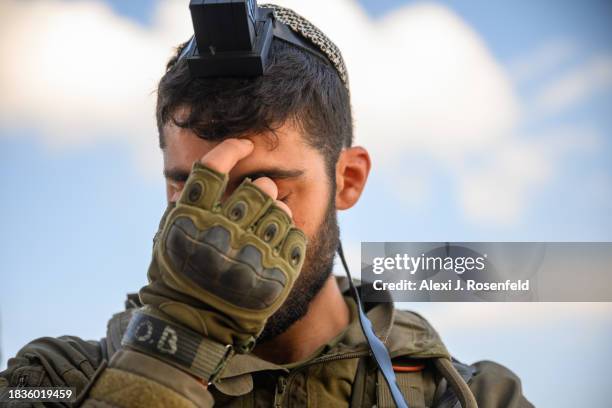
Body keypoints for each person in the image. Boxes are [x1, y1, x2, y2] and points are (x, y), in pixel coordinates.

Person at [0, 4, 533, 407]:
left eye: (266, 187)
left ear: (347, 179)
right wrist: (172, 347)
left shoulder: (472, 395)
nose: (220, 226)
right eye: (192, 187)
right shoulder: (58, 379)